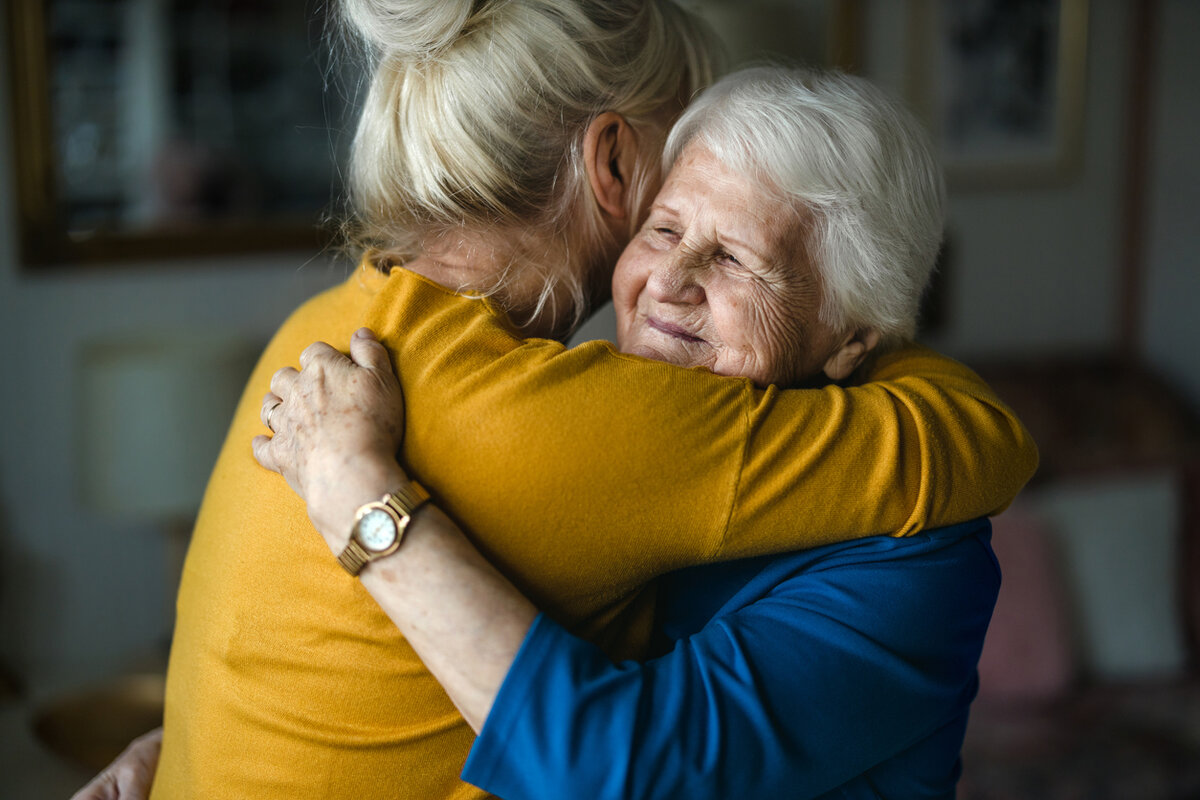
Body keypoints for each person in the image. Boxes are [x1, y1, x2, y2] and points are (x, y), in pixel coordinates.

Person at [76, 2, 1035, 798]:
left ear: (856, 336)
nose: (670, 280)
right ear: (614, 168)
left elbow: (607, 762)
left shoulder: (316, 333)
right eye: (664, 223)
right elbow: (974, 442)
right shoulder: (580, 424)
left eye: (740, 258)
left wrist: (192, 755)